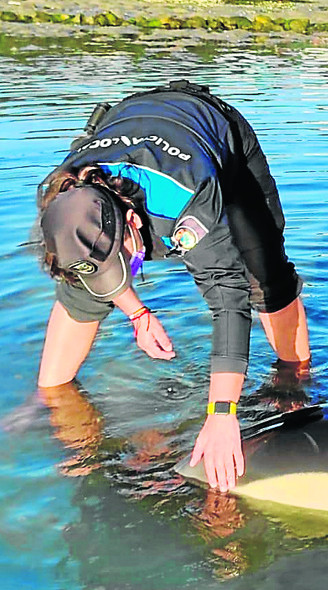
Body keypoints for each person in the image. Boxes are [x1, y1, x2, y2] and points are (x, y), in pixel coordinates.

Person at [35, 80, 311, 492]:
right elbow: (88, 274)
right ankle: (65, 427)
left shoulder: (185, 200)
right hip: (128, 120)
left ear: (131, 222)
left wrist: (221, 415)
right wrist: (137, 313)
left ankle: (296, 383)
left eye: (123, 260)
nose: (122, 273)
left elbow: (228, 299)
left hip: (213, 134)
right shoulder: (67, 198)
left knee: (264, 277)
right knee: (76, 305)